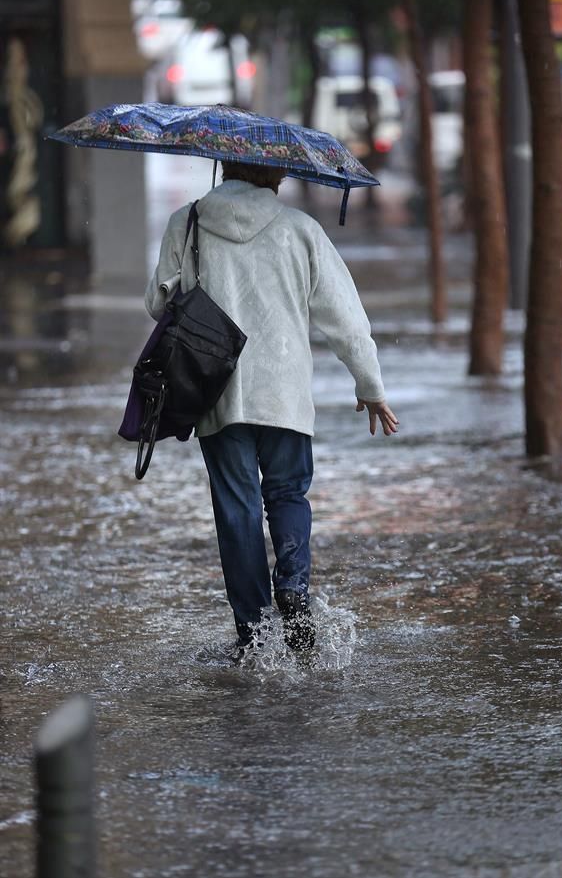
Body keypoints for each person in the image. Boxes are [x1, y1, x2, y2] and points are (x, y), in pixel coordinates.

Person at [145, 161, 398, 660]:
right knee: (286, 494)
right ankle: (294, 587)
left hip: (214, 393)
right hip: (284, 393)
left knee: (236, 512)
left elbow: (159, 303)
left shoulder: (188, 221)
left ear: (225, 167)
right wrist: (370, 385)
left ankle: (254, 634)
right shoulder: (300, 231)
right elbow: (344, 317)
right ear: (277, 176)